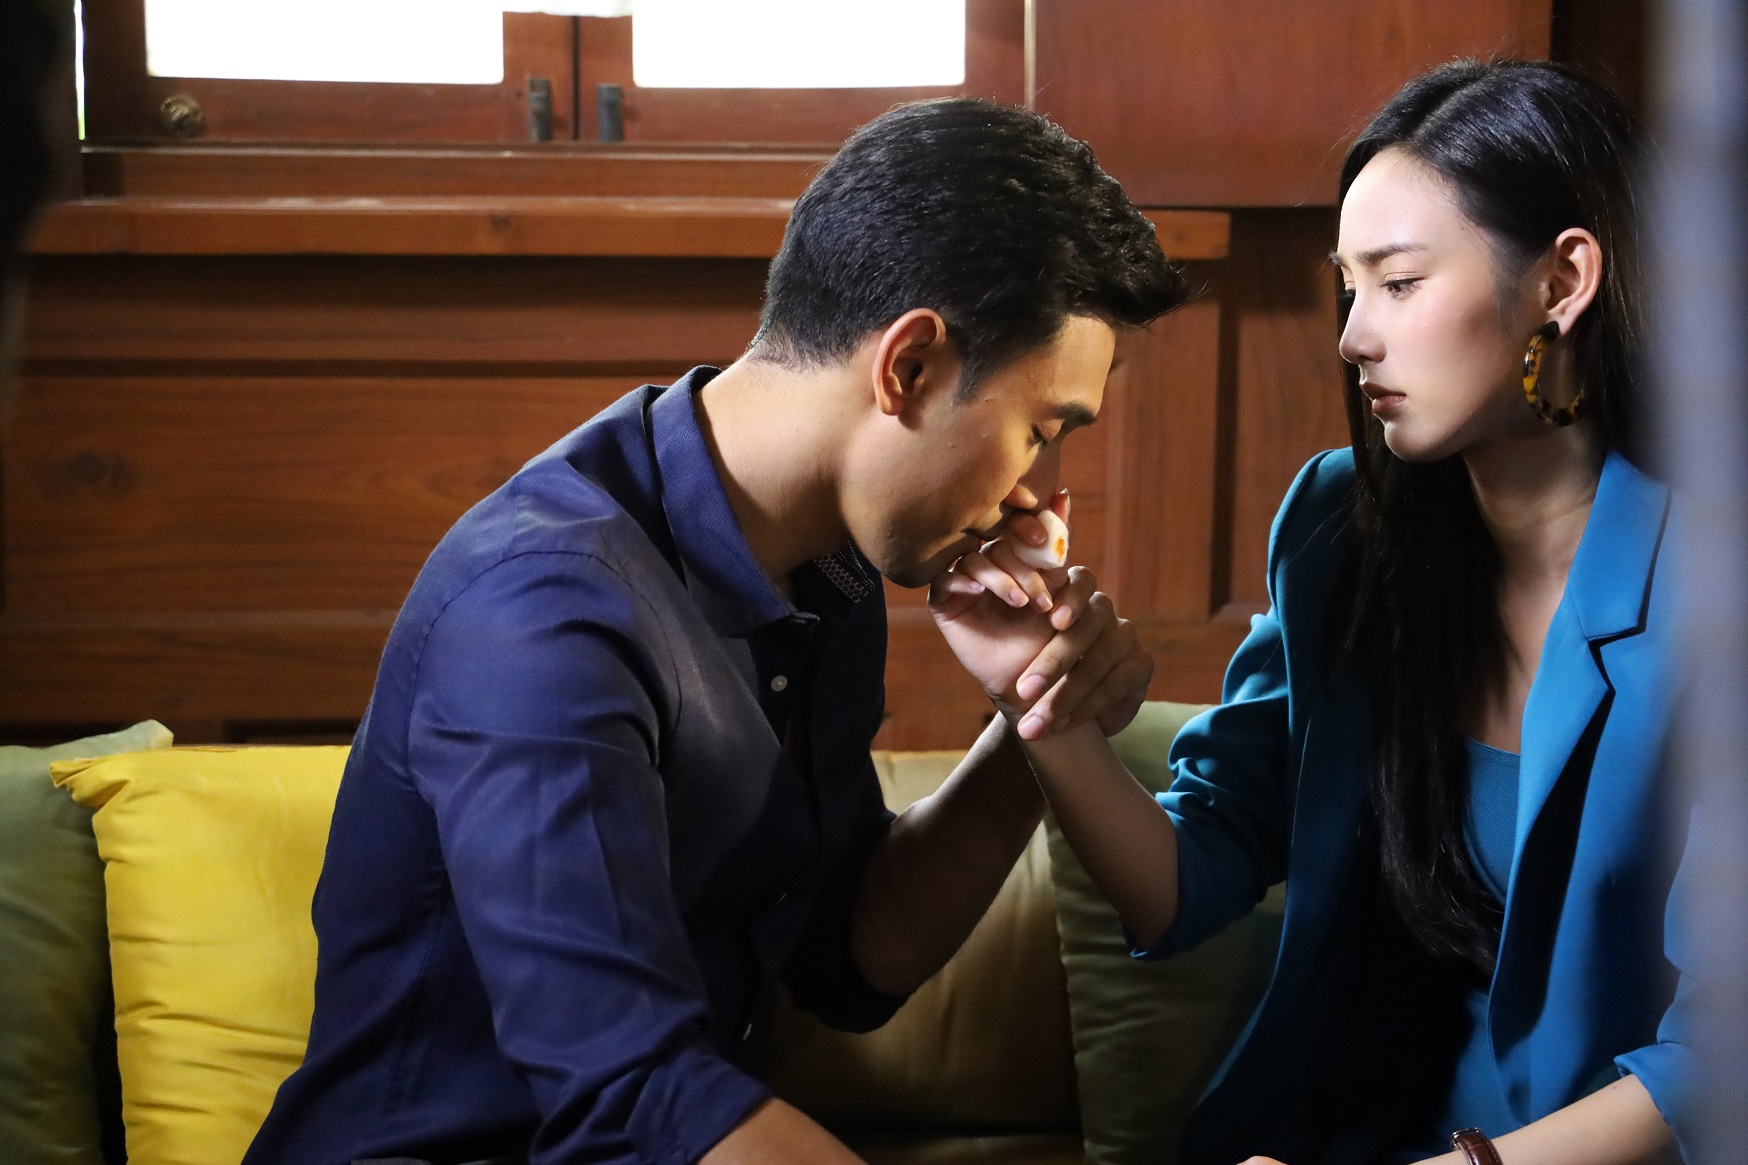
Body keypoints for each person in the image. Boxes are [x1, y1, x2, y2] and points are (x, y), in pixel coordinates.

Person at [244, 97, 1192, 1165]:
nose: (1039, 496)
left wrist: (1034, 717)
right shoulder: (544, 606)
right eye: (1041, 430)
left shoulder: (825, 572)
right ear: (909, 367)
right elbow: (629, 1093)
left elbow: (850, 962)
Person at [949, 60, 1691, 1165]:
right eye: (1347, 287)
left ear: (1562, 280)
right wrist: (1038, 698)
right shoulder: (1340, 531)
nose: (1351, 336)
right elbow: (1186, 884)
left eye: (1398, 283)